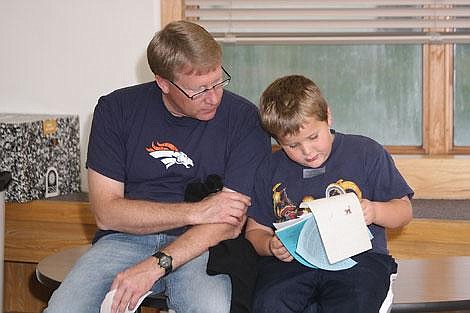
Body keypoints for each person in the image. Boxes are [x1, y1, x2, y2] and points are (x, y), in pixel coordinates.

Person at [44, 20, 270, 313]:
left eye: (218, 81)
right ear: (163, 82)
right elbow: (106, 213)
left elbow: (229, 222)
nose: (213, 97)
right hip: (123, 240)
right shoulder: (116, 110)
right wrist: (197, 210)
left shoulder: (244, 120)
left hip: (202, 244)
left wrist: (156, 264)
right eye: (199, 90)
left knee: (211, 309)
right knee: (63, 309)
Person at [245, 74, 413, 313]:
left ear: (328, 116)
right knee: (268, 302)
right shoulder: (269, 168)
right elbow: (255, 231)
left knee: (356, 300)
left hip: (359, 261)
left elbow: (404, 211)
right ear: (278, 141)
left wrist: (375, 211)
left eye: (314, 137)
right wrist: (270, 245)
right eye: (292, 146)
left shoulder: (366, 153)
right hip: (293, 264)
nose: (307, 151)